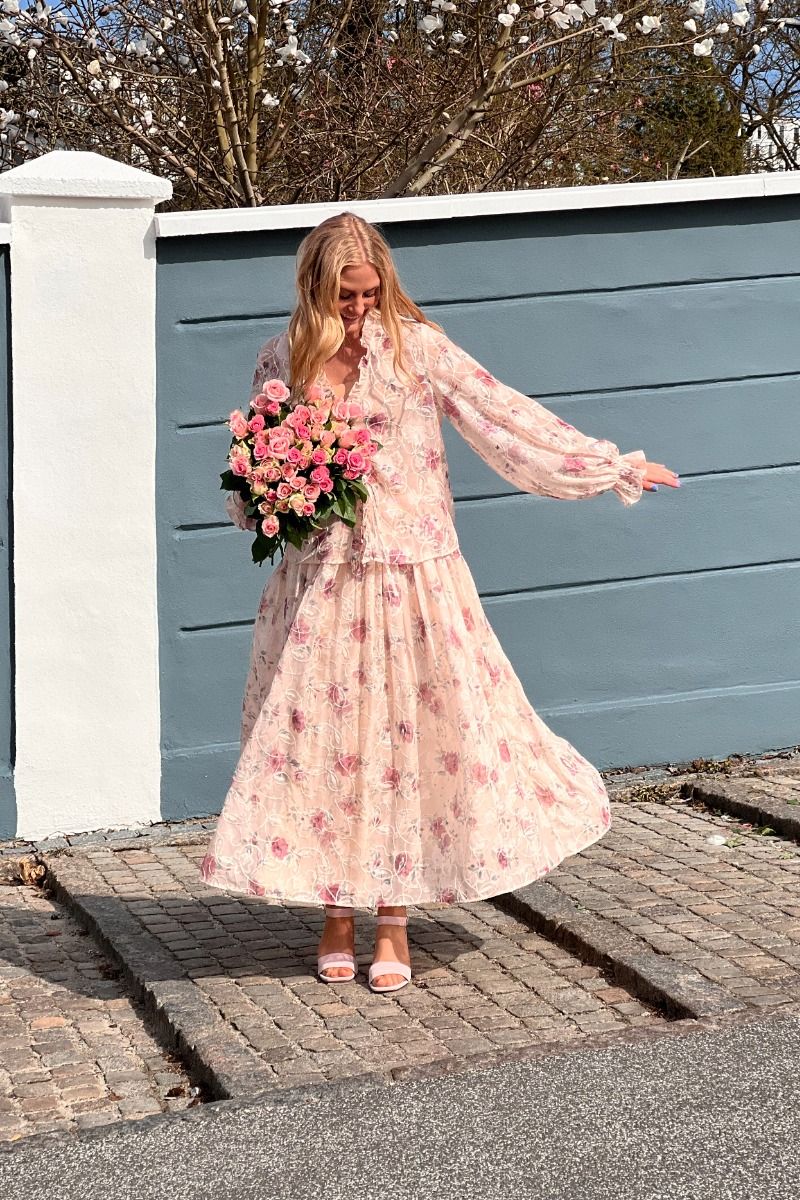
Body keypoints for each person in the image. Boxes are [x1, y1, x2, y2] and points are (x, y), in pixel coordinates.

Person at [200, 212, 680, 995]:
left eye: (369, 292)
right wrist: (269, 498)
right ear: (314, 289)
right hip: (321, 582)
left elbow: (503, 417)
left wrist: (608, 466)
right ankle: (336, 913)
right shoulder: (280, 358)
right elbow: (250, 466)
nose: (360, 308)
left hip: (415, 579)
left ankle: (393, 919)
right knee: (327, 750)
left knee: (408, 749)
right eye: (345, 296)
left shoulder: (419, 350)